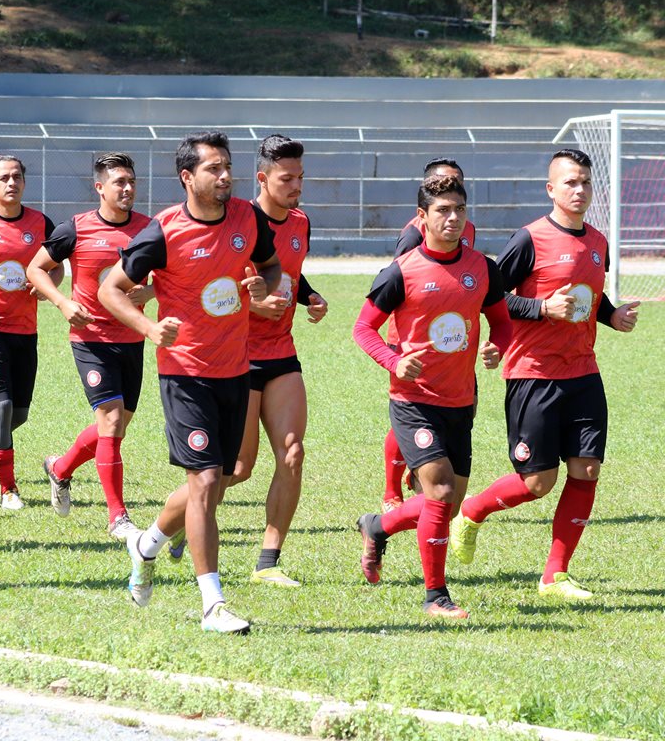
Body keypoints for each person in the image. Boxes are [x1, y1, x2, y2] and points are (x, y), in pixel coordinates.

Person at [98, 131, 281, 634]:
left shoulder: (248, 217)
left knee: (218, 481)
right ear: (187, 177)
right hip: (185, 374)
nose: (224, 176)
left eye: (227, 167)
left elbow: (270, 264)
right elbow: (110, 288)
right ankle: (212, 604)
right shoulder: (163, 231)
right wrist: (151, 328)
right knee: (203, 482)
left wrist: (266, 287)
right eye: (213, 169)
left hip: (236, 371)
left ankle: (147, 544)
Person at [450, 149, 639, 601]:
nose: (579, 190)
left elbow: (590, 298)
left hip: (584, 373)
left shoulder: (597, 241)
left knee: (587, 469)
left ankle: (555, 574)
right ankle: (471, 512)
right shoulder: (528, 239)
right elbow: (489, 298)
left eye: (586, 183)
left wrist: (613, 317)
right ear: (551, 189)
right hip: (533, 375)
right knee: (537, 483)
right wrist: (539, 308)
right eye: (570, 182)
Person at [352, 175, 512, 620]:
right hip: (413, 401)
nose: (453, 217)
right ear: (422, 218)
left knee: (448, 502)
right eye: (442, 210)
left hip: (460, 400)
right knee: (440, 492)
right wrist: (393, 361)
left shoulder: (484, 267)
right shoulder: (401, 271)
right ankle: (435, 596)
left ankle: (377, 525)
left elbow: (501, 321)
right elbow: (363, 328)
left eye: (459, 209)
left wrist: (497, 345)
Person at [27, 152, 152, 539]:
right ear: (100, 187)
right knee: (112, 421)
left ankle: (60, 468)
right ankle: (118, 517)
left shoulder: (150, 229)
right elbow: (35, 269)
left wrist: (147, 290)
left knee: (114, 427)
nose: (127, 188)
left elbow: (168, 277)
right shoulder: (75, 228)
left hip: (132, 337)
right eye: (119, 182)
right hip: (91, 338)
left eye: (131, 181)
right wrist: (63, 302)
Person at [221, 135, 328, 586]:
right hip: (236, 357)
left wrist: (310, 296)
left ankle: (268, 563)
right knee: (238, 469)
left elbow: (289, 273)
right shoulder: (234, 222)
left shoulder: (301, 222)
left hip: (281, 354)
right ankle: (176, 521)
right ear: (262, 178)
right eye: (287, 178)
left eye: (300, 177)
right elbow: (211, 292)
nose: (296, 186)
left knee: (292, 453)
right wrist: (252, 308)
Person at [382, 157, 477, 513]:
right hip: (410, 339)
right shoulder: (413, 233)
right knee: (413, 408)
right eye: (441, 185)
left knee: (462, 406)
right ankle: (392, 491)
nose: (452, 212)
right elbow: (400, 279)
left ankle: (425, 462)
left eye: (456, 187)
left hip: (454, 339)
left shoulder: (466, 227)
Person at [0, 155, 60, 510]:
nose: (12, 183)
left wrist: (49, 285)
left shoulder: (41, 223)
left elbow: (56, 268)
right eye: (4, 178)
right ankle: (8, 489)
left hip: (26, 331)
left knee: (19, 414)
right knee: (4, 405)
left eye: (17, 177)